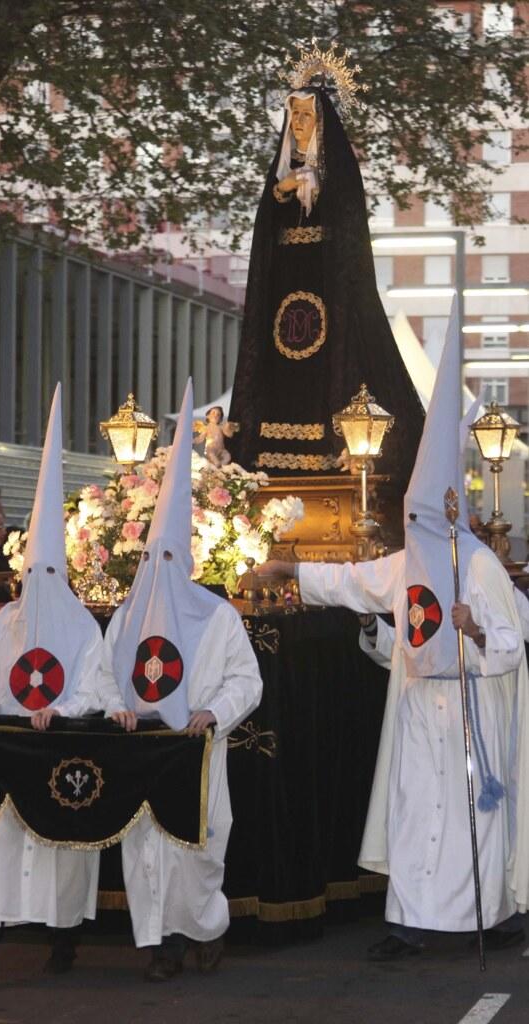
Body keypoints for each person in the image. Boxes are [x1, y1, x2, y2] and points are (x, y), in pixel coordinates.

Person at [259, 302, 529, 960]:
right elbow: (350, 581)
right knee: (415, 811)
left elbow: (512, 644)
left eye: (419, 516)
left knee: (470, 817)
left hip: (471, 709)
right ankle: (410, 922)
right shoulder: (408, 563)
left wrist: (475, 630)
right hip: (416, 709)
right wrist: (287, 567)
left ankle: (481, 915)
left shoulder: (482, 566)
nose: (412, 527)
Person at [95, 379, 263, 982]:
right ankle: (157, 944)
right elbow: (103, 675)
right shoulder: (123, 618)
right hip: (144, 748)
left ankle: (204, 928)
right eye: (151, 560)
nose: (158, 573)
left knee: (198, 847)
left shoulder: (217, 615)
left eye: (169, 560)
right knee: (143, 853)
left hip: (195, 750)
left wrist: (214, 711)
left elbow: (247, 679)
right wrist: (117, 708)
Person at [227, 50, 423, 524]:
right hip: (285, 298)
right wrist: (282, 192)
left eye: (305, 117)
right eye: (292, 117)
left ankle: (337, 458)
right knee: (282, 367)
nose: (297, 125)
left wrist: (318, 188)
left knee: (328, 368)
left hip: (329, 296)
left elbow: (350, 233)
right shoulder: (280, 180)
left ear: (321, 123)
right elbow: (264, 234)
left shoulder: (339, 176)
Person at [0, 386, 104, 981]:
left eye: (49, 571)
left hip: (61, 741)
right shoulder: (6, 621)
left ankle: (64, 940)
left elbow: (99, 688)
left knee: (62, 850)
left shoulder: (84, 628)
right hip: (9, 745)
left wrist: (63, 708)